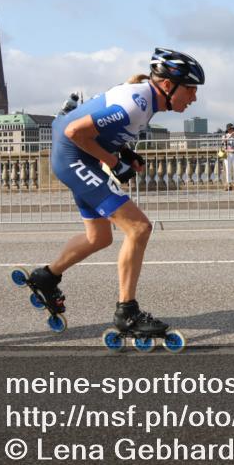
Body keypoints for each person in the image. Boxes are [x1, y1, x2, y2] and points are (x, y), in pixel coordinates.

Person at [28, 47, 204, 341]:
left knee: (99, 237)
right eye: (190, 89)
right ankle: (127, 312)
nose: (194, 97)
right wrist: (114, 163)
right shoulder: (136, 105)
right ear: (167, 85)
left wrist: (124, 152)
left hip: (76, 157)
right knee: (138, 228)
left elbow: (105, 131)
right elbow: (75, 132)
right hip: (73, 156)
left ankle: (46, 276)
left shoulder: (146, 101)